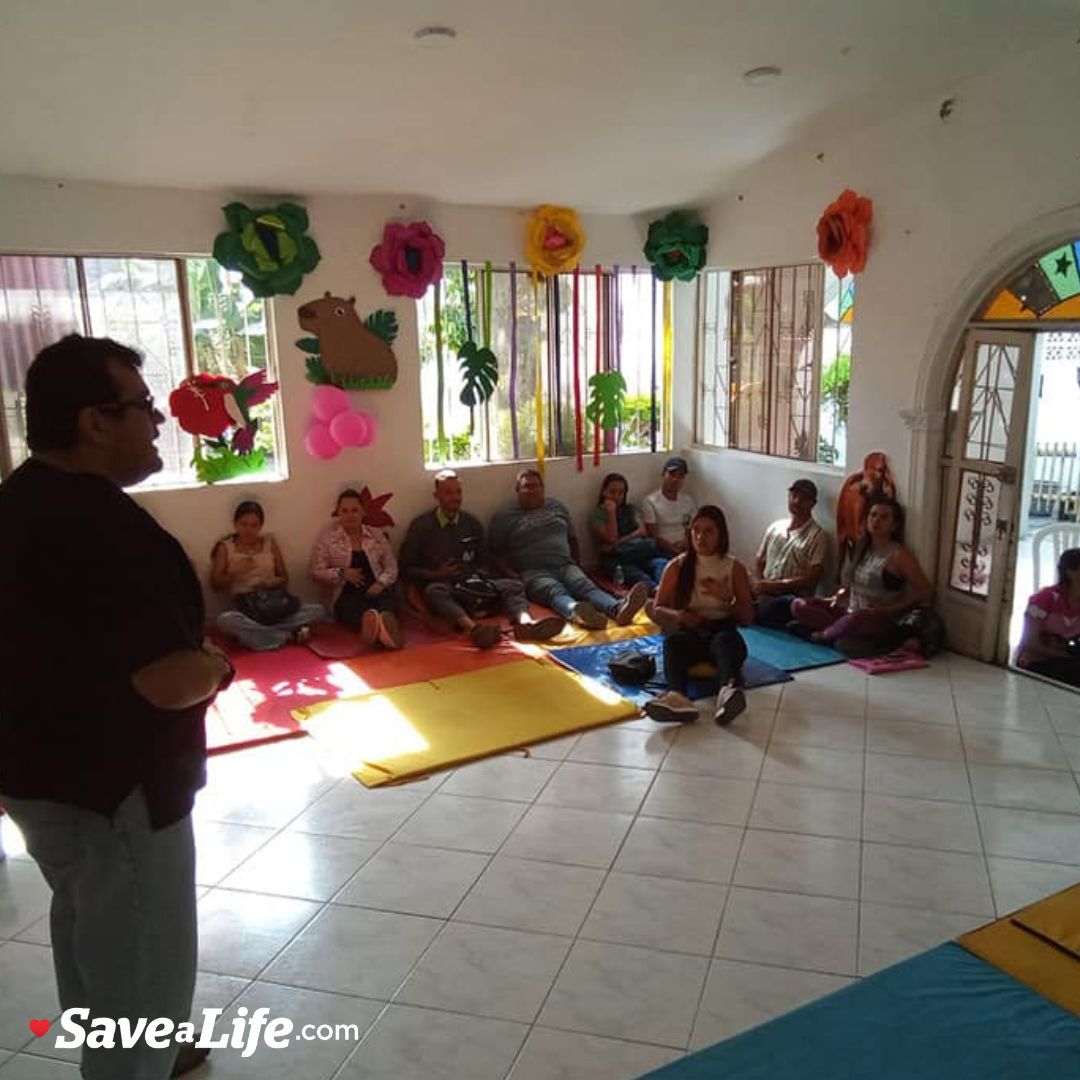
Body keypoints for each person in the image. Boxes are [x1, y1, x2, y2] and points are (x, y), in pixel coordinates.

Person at [0, 334, 233, 1079]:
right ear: (94, 421)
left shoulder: (19, 500)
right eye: (142, 407)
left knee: (88, 926)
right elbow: (164, 680)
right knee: (140, 962)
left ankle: (135, 1051)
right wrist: (217, 666)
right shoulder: (107, 531)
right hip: (117, 793)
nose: (157, 421)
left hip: (38, 778)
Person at [399, 469, 565, 649]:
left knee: (514, 586)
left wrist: (483, 575)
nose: (455, 497)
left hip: (474, 584)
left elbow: (485, 558)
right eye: (448, 493)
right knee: (434, 592)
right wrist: (435, 574)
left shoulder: (471, 523)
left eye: (458, 492)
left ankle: (526, 623)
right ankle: (474, 629)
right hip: (446, 587)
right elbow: (406, 567)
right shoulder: (421, 526)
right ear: (436, 495)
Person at [488, 468, 649, 629]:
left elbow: (572, 539)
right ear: (518, 490)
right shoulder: (505, 516)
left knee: (585, 586)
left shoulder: (556, 507)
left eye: (537, 486)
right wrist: (513, 576)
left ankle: (618, 609)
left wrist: (576, 563)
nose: (532, 490)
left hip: (565, 564)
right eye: (527, 486)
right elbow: (494, 553)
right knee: (555, 592)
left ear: (543, 489)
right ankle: (578, 614)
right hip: (534, 572)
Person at [643, 505, 754, 725]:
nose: (701, 537)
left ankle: (728, 693)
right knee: (673, 643)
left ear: (721, 534)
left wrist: (727, 599)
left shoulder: (734, 568)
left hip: (722, 632)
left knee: (726, 641)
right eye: (696, 530)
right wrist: (680, 616)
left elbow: (748, 618)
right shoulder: (677, 566)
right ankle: (678, 698)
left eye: (709, 531)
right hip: (691, 633)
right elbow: (657, 608)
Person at [790, 494, 931, 653]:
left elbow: (925, 591)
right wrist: (836, 597)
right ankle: (835, 631)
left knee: (853, 625)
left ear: (894, 525)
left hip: (875, 618)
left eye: (884, 517)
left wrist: (889, 609)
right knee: (799, 604)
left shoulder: (899, 555)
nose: (876, 521)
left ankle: (823, 635)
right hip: (849, 609)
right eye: (873, 515)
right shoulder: (861, 547)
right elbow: (850, 586)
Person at [211, 500, 324, 651]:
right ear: (235, 524)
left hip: (273, 603)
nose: (248, 530)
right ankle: (287, 635)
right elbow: (215, 584)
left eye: (254, 525)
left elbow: (284, 578)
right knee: (225, 621)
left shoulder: (269, 543)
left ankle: (260, 635)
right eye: (244, 524)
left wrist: (269, 583)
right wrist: (234, 572)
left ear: (260, 526)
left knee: (319, 611)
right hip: (246, 607)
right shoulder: (225, 547)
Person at [310, 488, 404, 649]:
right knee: (356, 611)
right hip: (347, 594)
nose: (350, 515)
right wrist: (341, 573)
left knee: (386, 603)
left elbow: (391, 566)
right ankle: (381, 632)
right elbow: (316, 571)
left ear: (363, 512)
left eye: (355, 510)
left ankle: (380, 629)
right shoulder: (328, 540)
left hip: (376, 589)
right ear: (338, 513)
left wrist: (381, 583)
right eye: (345, 511)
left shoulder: (376, 535)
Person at [751, 478, 828, 628]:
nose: (797, 502)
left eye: (803, 499)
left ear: (813, 503)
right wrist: (760, 584)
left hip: (789, 595)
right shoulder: (775, 527)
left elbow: (813, 578)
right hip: (765, 589)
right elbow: (760, 559)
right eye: (794, 496)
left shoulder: (817, 535)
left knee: (777, 607)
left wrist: (777, 586)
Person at [589, 472, 667, 590]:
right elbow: (611, 537)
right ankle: (655, 590)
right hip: (617, 559)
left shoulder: (631, 509)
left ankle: (668, 589)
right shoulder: (597, 514)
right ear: (604, 492)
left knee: (660, 563)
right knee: (629, 572)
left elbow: (642, 531)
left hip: (638, 551)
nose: (616, 496)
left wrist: (617, 543)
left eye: (620, 493)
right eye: (612, 492)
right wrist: (611, 513)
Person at [1016, 547, 1080, 687]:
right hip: (1036, 661)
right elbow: (1029, 643)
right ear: (1070, 572)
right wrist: (1066, 656)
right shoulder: (1045, 599)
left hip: (1064, 657)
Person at [641, 456, 697, 558]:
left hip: (685, 549)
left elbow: (691, 528)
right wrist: (673, 549)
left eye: (680, 476)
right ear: (663, 474)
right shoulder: (650, 501)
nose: (676, 479)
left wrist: (686, 542)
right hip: (661, 551)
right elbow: (653, 535)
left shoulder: (688, 501)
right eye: (672, 474)